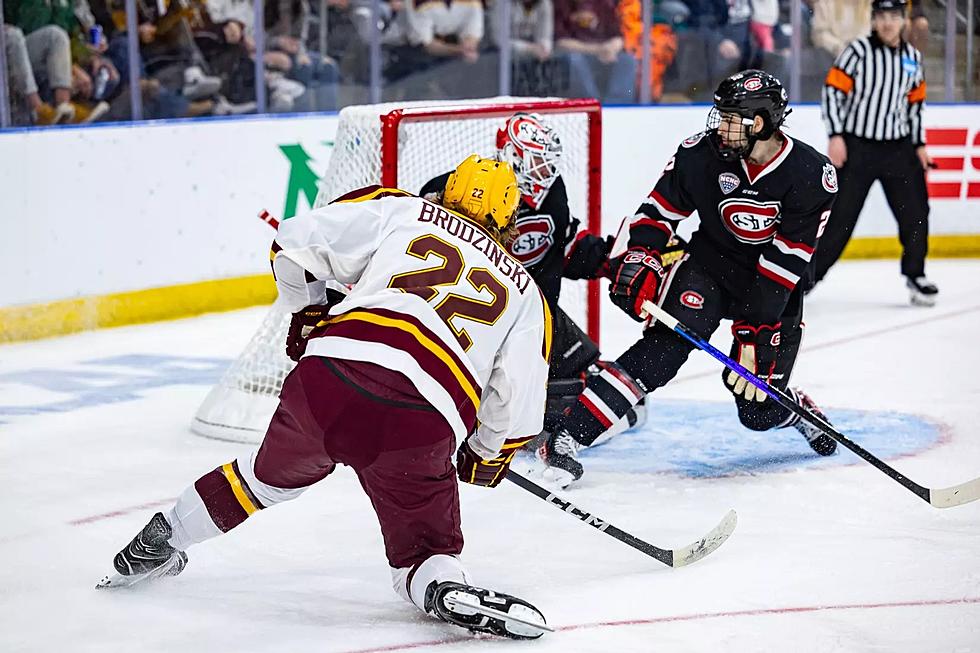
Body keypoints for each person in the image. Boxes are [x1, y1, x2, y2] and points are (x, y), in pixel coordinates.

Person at [97, 155, 553, 640]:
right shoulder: (527, 293)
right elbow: (517, 407)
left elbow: (293, 245)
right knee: (423, 551)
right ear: (509, 218)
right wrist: (482, 459)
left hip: (330, 379)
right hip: (420, 421)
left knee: (260, 481)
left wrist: (310, 312)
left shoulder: (401, 211)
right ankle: (442, 586)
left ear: (448, 189)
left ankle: (163, 537)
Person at [538, 70, 840, 489]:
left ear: (759, 124)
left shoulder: (811, 173)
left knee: (754, 409)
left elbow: (787, 262)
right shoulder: (701, 154)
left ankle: (791, 409)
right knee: (661, 352)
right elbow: (655, 213)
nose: (720, 125)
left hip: (772, 289)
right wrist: (641, 257)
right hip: (708, 269)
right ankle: (569, 436)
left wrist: (754, 330)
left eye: (731, 117)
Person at [419, 113, 641, 449]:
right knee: (501, 385)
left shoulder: (552, 191)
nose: (544, 172)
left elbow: (559, 242)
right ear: (510, 154)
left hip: (535, 315)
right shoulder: (463, 191)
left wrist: (605, 259)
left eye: (546, 163)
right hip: (477, 318)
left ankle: (534, 417)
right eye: (535, 161)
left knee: (585, 373)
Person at [814, 0, 937, 306]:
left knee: (916, 214)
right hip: (858, 148)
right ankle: (805, 281)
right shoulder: (857, 52)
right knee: (839, 219)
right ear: (873, 20)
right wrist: (836, 136)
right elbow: (832, 92)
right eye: (881, 17)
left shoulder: (912, 58)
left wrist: (919, 145)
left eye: (893, 17)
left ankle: (916, 274)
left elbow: (914, 106)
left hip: (899, 149)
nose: (887, 23)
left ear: (903, 20)